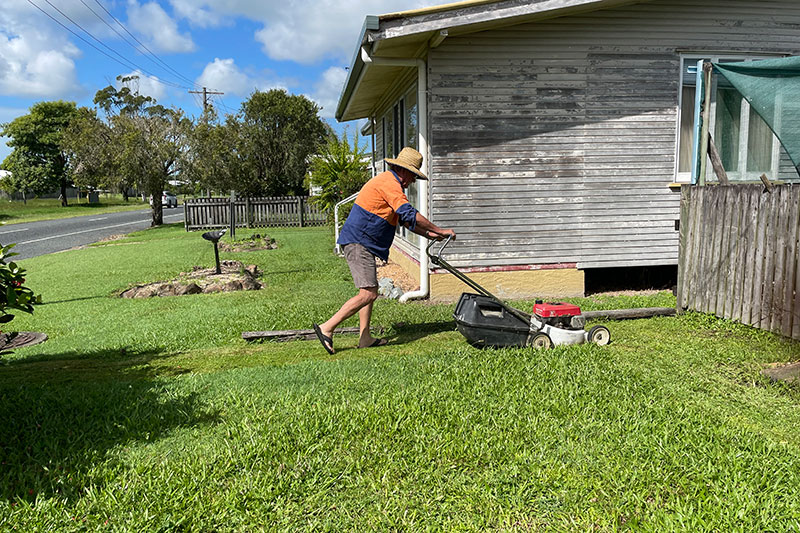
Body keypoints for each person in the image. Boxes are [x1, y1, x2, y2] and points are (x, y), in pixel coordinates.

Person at [313, 146, 456, 354]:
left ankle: (365, 337)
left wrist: (431, 235)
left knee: (368, 290)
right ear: (404, 171)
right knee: (369, 293)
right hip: (359, 241)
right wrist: (439, 229)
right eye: (413, 176)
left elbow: (406, 221)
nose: (412, 182)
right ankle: (327, 328)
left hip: (363, 242)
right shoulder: (390, 183)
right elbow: (408, 212)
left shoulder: (389, 183)